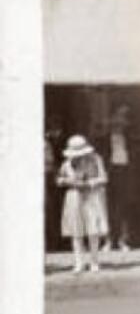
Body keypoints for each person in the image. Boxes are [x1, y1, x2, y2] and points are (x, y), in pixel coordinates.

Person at [57, 135, 109, 273]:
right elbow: (59, 179)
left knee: (93, 230)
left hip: (91, 195)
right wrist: (67, 181)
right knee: (76, 231)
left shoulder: (95, 159)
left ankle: (94, 261)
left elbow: (104, 178)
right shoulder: (67, 163)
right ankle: (79, 262)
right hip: (74, 195)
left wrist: (90, 183)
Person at [98, 105, 134, 251]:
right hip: (108, 175)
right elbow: (100, 159)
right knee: (107, 208)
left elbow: (133, 159)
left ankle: (123, 240)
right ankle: (107, 240)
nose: (118, 127)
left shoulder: (129, 140)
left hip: (124, 175)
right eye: (116, 124)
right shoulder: (104, 140)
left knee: (122, 209)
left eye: (121, 125)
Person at [44, 116, 66, 252]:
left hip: (52, 178)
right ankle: (51, 242)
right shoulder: (45, 144)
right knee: (49, 208)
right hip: (47, 177)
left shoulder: (53, 144)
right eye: (56, 130)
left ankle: (54, 241)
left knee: (53, 208)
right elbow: (49, 162)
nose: (58, 134)